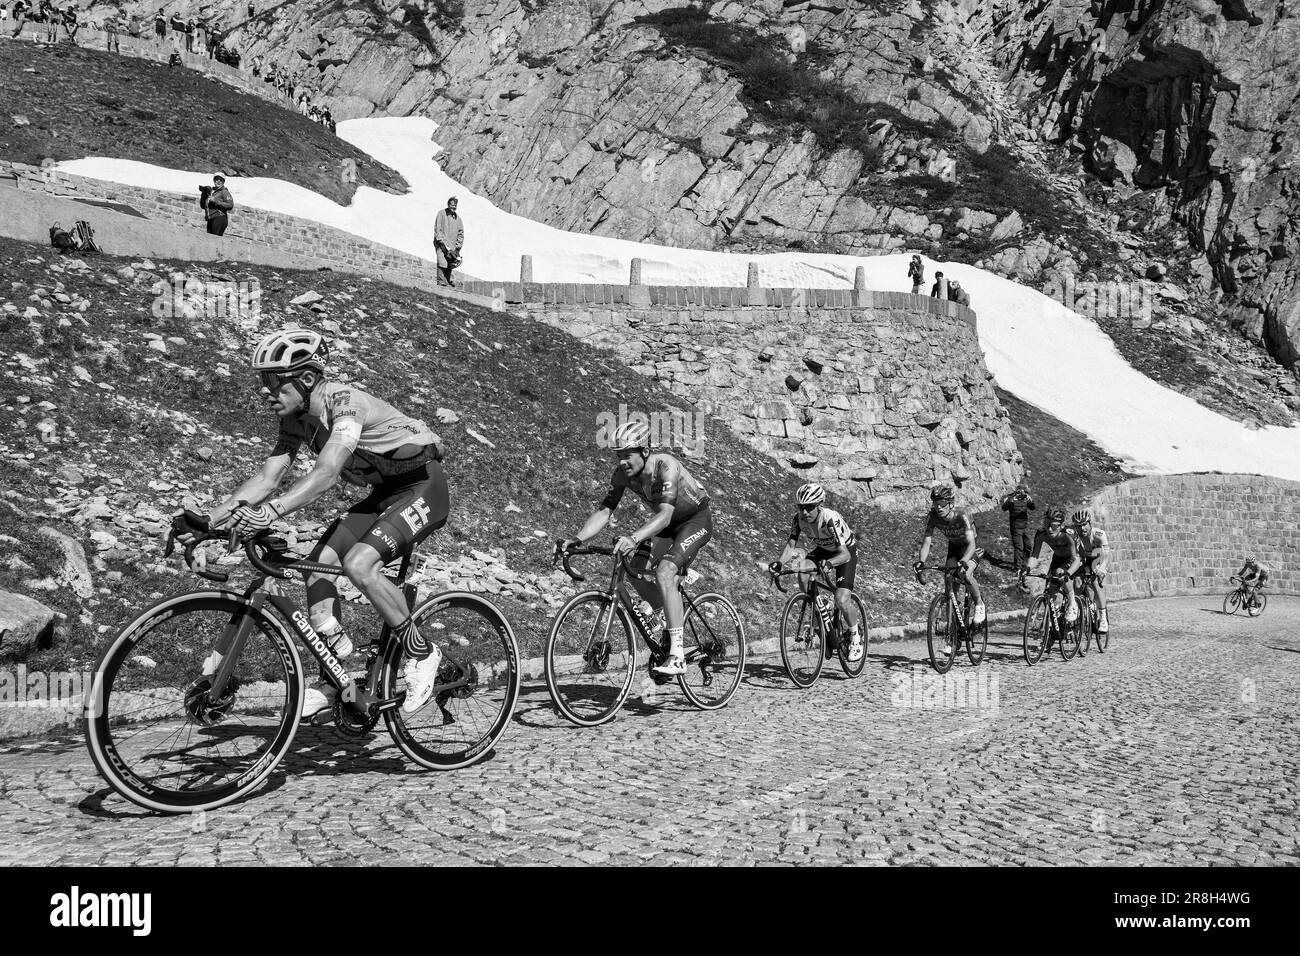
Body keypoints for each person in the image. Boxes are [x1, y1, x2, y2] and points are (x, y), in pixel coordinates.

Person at [180, 328, 449, 718]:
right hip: (382, 496)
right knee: (317, 568)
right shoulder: (297, 420)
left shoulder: (345, 404)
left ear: (306, 380)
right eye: (262, 382)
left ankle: (422, 653)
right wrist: (209, 519)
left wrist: (270, 513)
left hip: (423, 487)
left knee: (359, 564)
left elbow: (325, 473)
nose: (265, 391)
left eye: (274, 382)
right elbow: (266, 480)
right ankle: (336, 678)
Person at [560, 420, 713, 676]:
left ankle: (677, 656)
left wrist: (633, 537)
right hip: (665, 525)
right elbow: (604, 510)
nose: (622, 462)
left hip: (693, 520)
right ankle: (666, 606)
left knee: (664, 571)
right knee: (635, 567)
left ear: (644, 451)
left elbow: (664, 515)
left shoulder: (666, 466)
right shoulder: (622, 475)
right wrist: (577, 539)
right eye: (618, 456)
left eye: (627, 455)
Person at [774, 482, 864, 662]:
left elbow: (844, 553)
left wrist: (830, 564)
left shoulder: (830, 518)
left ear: (819, 505)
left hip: (844, 552)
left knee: (841, 598)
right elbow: (791, 546)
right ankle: (819, 605)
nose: (805, 512)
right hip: (822, 550)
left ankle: (855, 636)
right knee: (802, 571)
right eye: (801, 508)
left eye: (809, 507)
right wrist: (779, 563)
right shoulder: (798, 519)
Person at [915, 484, 984, 624]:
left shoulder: (962, 515)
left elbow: (972, 544)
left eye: (942, 503)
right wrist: (921, 562)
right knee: (949, 584)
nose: (938, 507)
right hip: (954, 547)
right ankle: (952, 633)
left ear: (951, 504)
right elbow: (927, 542)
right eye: (935, 503)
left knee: (966, 574)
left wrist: (964, 561)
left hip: (973, 546)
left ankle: (979, 604)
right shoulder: (933, 516)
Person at [1022, 508, 1081, 623]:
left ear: (1061, 525)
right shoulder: (1041, 534)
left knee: (1060, 573)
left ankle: (1073, 603)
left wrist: (1067, 574)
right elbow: (1035, 556)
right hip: (1058, 558)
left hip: (1073, 558)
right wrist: (1027, 568)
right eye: (1046, 524)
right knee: (1052, 589)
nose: (1049, 529)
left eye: (1054, 526)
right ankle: (1053, 629)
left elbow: (1076, 559)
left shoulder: (1068, 535)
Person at [1071, 508, 1110, 633]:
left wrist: (1102, 570)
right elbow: (1076, 557)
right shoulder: (1075, 537)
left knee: (1095, 583)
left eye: (1084, 525)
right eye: (1078, 526)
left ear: (1089, 523)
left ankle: (1103, 618)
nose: (1082, 528)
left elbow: (1106, 555)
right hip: (1085, 559)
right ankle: (1077, 609)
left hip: (1099, 559)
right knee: (1077, 582)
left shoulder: (1099, 534)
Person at [999, 482, 1036, 574]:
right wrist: (1011, 499)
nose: (1024, 494)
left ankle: (1026, 565)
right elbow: (1004, 508)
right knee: (1019, 547)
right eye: (1023, 492)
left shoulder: (1026, 499)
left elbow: (1033, 508)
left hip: (1025, 526)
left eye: (1026, 493)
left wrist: (1030, 500)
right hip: (1016, 527)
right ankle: (1018, 567)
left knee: (1028, 546)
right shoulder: (1011, 499)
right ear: (1018, 491)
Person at [434, 196, 463, 287]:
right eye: (452, 205)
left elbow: (461, 233)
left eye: (455, 205)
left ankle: (446, 280)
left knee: (450, 262)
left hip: (452, 245)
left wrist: (458, 246)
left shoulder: (458, 219)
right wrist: (440, 240)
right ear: (448, 204)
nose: (454, 207)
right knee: (442, 261)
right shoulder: (441, 213)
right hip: (441, 242)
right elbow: (438, 228)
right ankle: (441, 280)